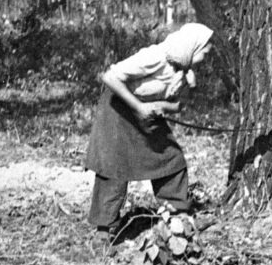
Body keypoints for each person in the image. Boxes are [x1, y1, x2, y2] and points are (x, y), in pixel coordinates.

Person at [85, 22, 214, 246]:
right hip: (118, 107)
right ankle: (103, 232)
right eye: (203, 52)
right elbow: (110, 77)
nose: (205, 57)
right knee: (114, 167)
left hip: (146, 111)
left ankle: (176, 216)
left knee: (171, 159)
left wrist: (172, 99)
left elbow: (177, 107)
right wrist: (139, 107)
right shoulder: (154, 57)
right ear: (191, 48)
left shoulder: (184, 71)